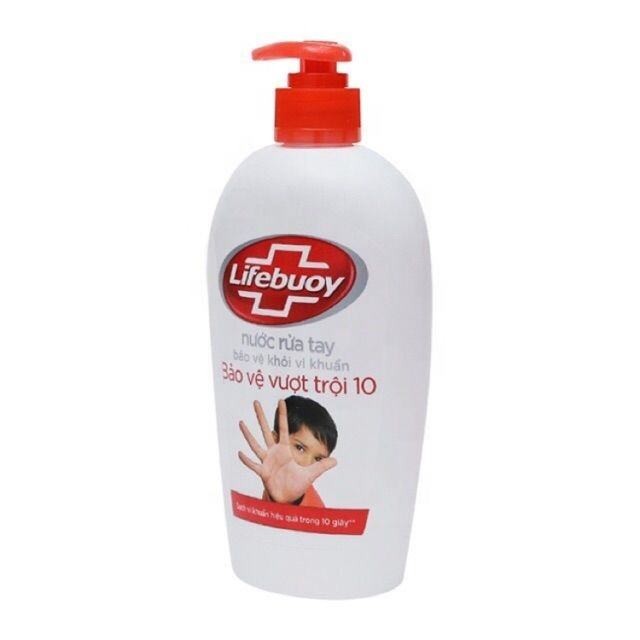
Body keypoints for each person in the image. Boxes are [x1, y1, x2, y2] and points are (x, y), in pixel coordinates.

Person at [238, 396, 338, 507]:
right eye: (300, 448)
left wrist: (290, 500)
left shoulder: (316, 507)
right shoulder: (274, 481)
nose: (307, 463)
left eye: (318, 459)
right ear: (275, 440)